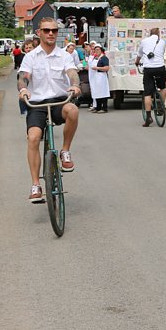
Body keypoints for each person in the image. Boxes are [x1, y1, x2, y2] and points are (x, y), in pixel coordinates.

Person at [18, 17, 81, 203]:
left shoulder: (64, 55)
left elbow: (72, 73)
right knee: (34, 138)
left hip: (58, 102)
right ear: (39, 33)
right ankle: (36, 184)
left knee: (73, 111)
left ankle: (65, 151)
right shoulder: (30, 56)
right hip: (37, 104)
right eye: (46, 30)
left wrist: (75, 85)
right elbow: (24, 76)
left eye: (54, 30)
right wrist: (23, 89)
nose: (51, 33)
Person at [134, 27, 166, 127]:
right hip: (160, 68)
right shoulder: (162, 42)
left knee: (147, 93)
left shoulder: (144, 41)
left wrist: (137, 62)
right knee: (163, 87)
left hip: (148, 69)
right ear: (158, 34)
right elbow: (162, 53)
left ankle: (148, 117)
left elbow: (139, 54)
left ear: (149, 34)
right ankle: (161, 106)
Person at [89, 45, 111, 113]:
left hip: (101, 77)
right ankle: (98, 107)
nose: (97, 51)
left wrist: (97, 68)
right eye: (95, 50)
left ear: (101, 50)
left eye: (98, 50)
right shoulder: (95, 58)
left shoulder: (104, 58)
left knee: (103, 92)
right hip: (95, 77)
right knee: (97, 92)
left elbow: (107, 68)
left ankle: (104, 108)